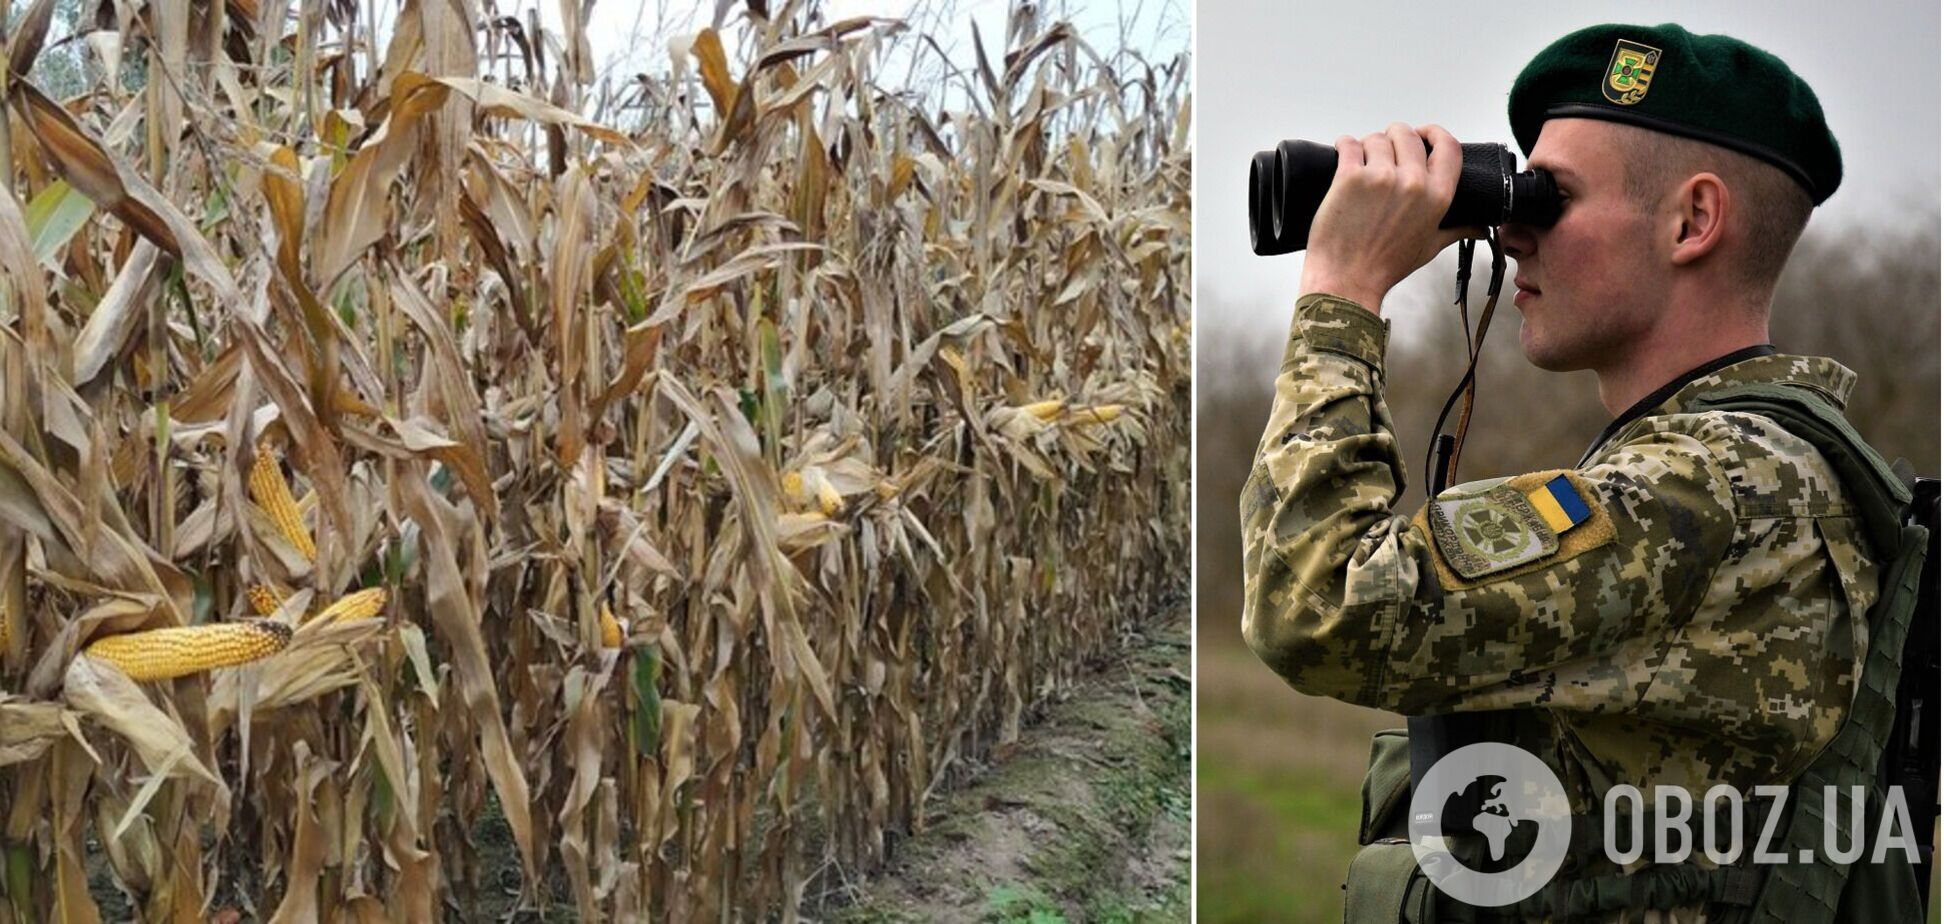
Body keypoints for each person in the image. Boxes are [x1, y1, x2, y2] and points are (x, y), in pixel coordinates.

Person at [1239, 22, 1924, 922]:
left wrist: (1343, 288)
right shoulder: (1766, 467)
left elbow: (1314, 604)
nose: (1513, 230)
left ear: (1693, 221)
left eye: (1550, 197)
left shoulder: (1712, 487)